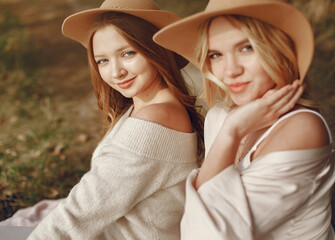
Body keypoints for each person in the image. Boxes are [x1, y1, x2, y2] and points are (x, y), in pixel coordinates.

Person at [6, 0, 205, 239]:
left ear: (156, 51)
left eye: (128, 53)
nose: (116, 72)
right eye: (103, 60)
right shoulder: (149, 107)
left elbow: (83, 212)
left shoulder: (155, 120)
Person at [153, 0, 335, 239]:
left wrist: (232, 132)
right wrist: (232, 128)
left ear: (279, 49)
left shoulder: (303, 130)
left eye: (246, 48)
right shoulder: (220, 116)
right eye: (216, 54)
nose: (230, 71)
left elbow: (207, 233)